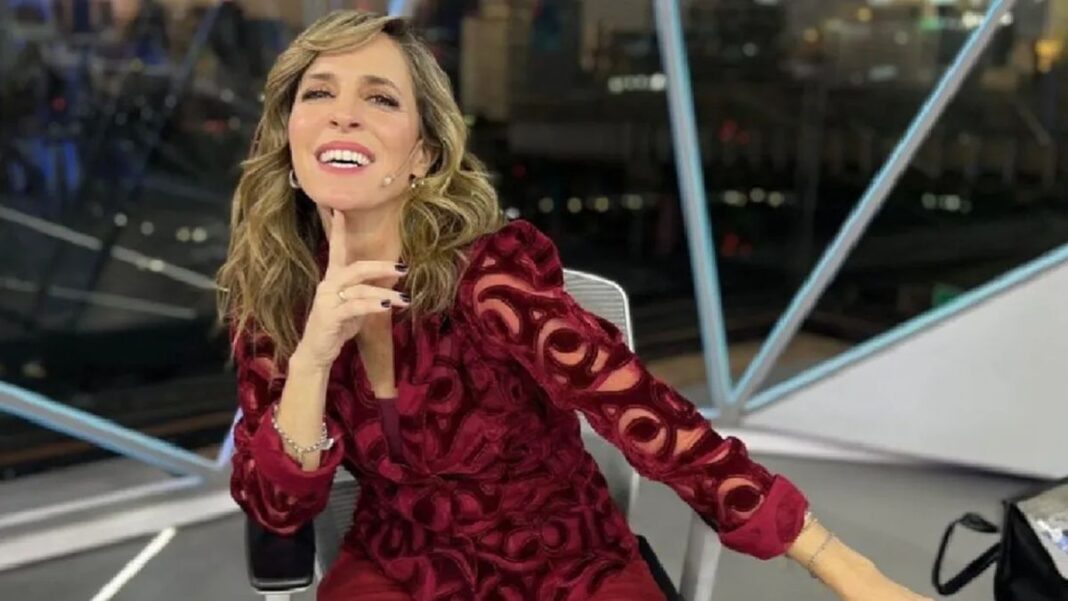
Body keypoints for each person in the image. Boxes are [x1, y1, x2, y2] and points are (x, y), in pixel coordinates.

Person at [216, 10, 932, 601]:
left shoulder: (490, 279)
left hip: (563, 566)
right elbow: (277, 508)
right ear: (290, 134)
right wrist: (313, 355)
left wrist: (851, 572)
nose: (343, 115)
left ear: (424, 156)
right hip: (401, 570)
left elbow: (654, 421)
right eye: (318, 93)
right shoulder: (277, 301)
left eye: (380, 98)